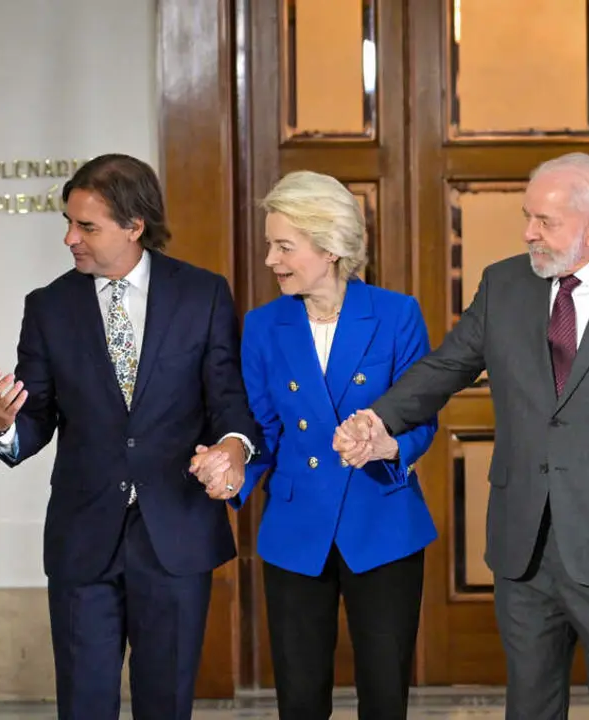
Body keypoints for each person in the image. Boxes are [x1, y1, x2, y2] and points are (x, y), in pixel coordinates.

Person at [334, 152, 589, 720]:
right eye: (528, 217)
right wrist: (381, 419)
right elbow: (447, 364)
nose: (529, 233)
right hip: (523, 544)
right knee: (530, 707)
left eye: (545, 222)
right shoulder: (504, 284)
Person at [0, 153, 260, 720]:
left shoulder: (202, 295)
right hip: (83, 539)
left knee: (166, 704)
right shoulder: (48, 306)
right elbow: (38, 417)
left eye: (86, 226)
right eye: (69, 223)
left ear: (134, 225)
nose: (69, 238)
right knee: (84, 704)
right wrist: (3, 424)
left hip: (175, 534)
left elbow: (229, 401)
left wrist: (232, 449)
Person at [193, 170, 437, 719]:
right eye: (269, 246)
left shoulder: (396, 314)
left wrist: (387, 446)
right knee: (300, 701)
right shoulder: (262, 325)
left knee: (384, 697)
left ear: (328, 247)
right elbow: (262, 430)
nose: (271, 260)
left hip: (383, 527)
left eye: (284, 246)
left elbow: (422, 418)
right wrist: (231, 468)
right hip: (296, 532)